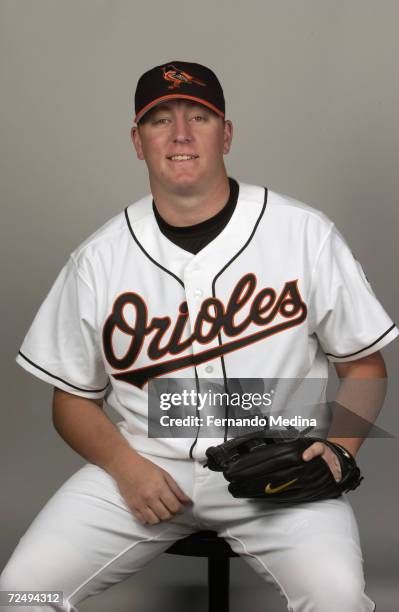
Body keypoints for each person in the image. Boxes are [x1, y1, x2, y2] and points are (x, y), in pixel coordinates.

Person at [1, 60, 397, 612]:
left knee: (336, 597)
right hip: (145, 461)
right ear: (138, 142)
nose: (181, 134)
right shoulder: (99, 258)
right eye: (160, 120)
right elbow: (71, 400)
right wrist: (125, 467)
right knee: (21, 594)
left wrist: (337, 448)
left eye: (200, 118)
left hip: (282, 462)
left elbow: (364, 367)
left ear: (226, 133)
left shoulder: (303, 233)